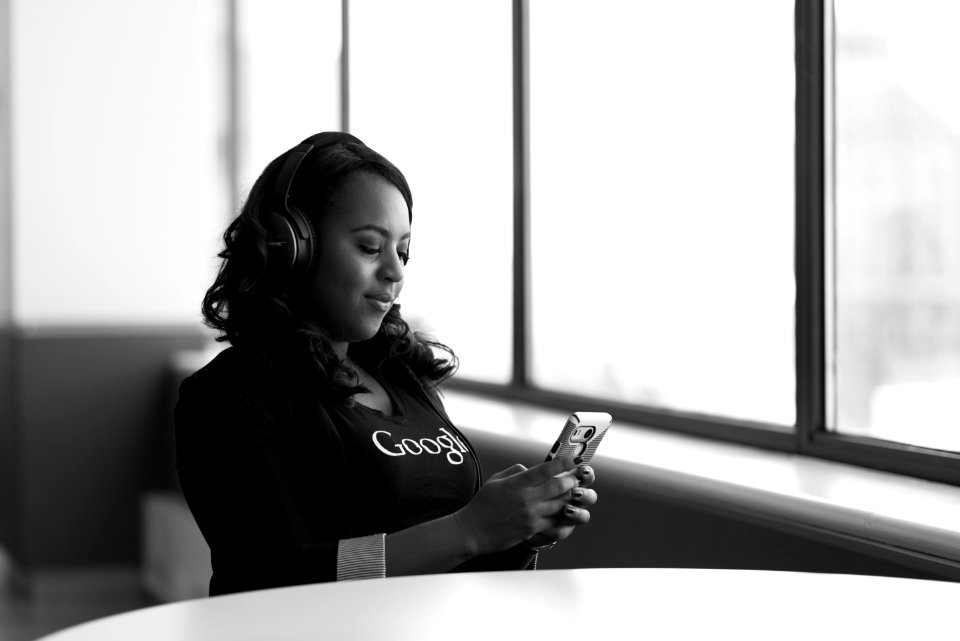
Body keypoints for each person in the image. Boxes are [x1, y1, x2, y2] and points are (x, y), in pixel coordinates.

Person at [174, 132, 598, 596]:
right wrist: (468, 530)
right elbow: (277, 576)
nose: (396, 271)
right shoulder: (227, 396)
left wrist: (517, 534)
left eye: (404, 251)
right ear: (292, 248)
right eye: (371, 248)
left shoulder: (403, 378)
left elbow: (453, 563)